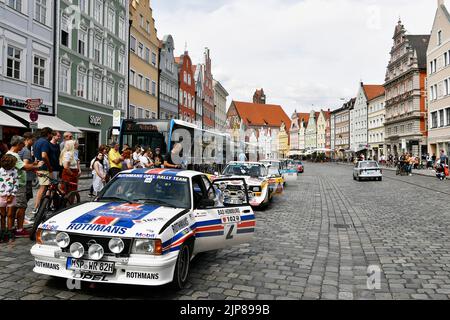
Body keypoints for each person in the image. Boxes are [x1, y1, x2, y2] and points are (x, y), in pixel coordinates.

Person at [7, 136, 43, 237]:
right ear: (18, 144)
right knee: (22, 206)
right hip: (18, 184)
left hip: (14, 183)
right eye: (22, 144)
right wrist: (37, 166)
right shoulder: (14, 155)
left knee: (14, 207)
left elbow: (23, 166)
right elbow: (24, 166)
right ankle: (19, 229)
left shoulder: (10, 154)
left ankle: (12, 228)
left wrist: (33, 166)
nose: (23, 146)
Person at [32, 127, 53, 215]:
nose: (52, 135)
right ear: (48, 134)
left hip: (39, 167)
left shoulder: (37, 141)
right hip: (44, 168)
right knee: (43, 187)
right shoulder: (45, 142)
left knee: (44, 187)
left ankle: (41, 207)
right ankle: (36, 208)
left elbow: (34, 155)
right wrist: (49, 167)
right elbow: (44, 155)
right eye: (51, 134)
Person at [0, 154, 19, 242]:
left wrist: (11, 195)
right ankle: (3, 232)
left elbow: (16, 184)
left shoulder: (14, 171)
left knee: (10, 215)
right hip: (1, 196)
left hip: (11, 195)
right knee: (2, 215)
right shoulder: (0, 171)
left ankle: (10, 232)